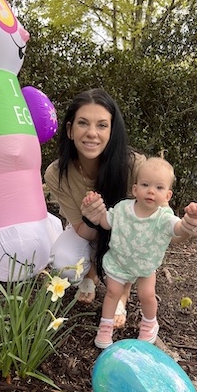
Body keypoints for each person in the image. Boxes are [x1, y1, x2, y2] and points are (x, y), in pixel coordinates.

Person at [81, 157, 197, 348]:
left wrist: (190, 219)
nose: (151, 191)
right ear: (135, 190)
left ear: (168, 196)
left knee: (147, 294)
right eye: (145, 184)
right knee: (112, 292)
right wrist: (96, 209)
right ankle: (105, 326)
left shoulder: (163, 217)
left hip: (145, 264)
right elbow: (106, 222)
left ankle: (150, 324)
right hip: (119, 261)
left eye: (159, 188)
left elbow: (178, 228)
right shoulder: (122, 209)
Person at [44, 88, 146, 328]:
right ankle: (91, 273)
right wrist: (92, 219)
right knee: (63, 262)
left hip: (128, 237)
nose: (92, 133)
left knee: (133, 233)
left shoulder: (134, 166)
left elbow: (152, 223)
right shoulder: (57, 173)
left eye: (102, 125)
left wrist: (186, 227)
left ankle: (123, 291)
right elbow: (81, 229)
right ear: (69, 130)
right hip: (88, 232)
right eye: (82, 123)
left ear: (112, 131)